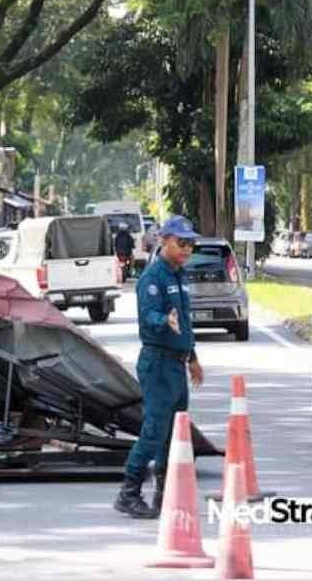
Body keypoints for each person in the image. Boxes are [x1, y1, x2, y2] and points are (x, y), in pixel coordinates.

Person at [114, 215, 204, 519]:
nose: (187, 249)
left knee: (175, 433)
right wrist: (164, 321)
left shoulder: (180, 276)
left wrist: (192, 358)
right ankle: (129, 492)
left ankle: (165, 495)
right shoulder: (152, 278)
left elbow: (186, 322)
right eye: (182, 243)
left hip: (177, 364)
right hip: (158, 362)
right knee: (154, 431)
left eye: (191, 243)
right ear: (164, 240)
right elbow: (149, 316)